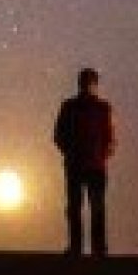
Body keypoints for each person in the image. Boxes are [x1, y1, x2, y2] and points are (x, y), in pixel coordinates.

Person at [53, 68, 115, 257]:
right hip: (81, 164)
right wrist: (72, 152)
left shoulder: (102, 108)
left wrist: (101, 154)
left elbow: (109, 137)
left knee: (94, 208)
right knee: (76, 208)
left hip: (91, 165)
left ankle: (94, 248)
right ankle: (80, 247)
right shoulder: (71, 107)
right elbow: (59, 135)